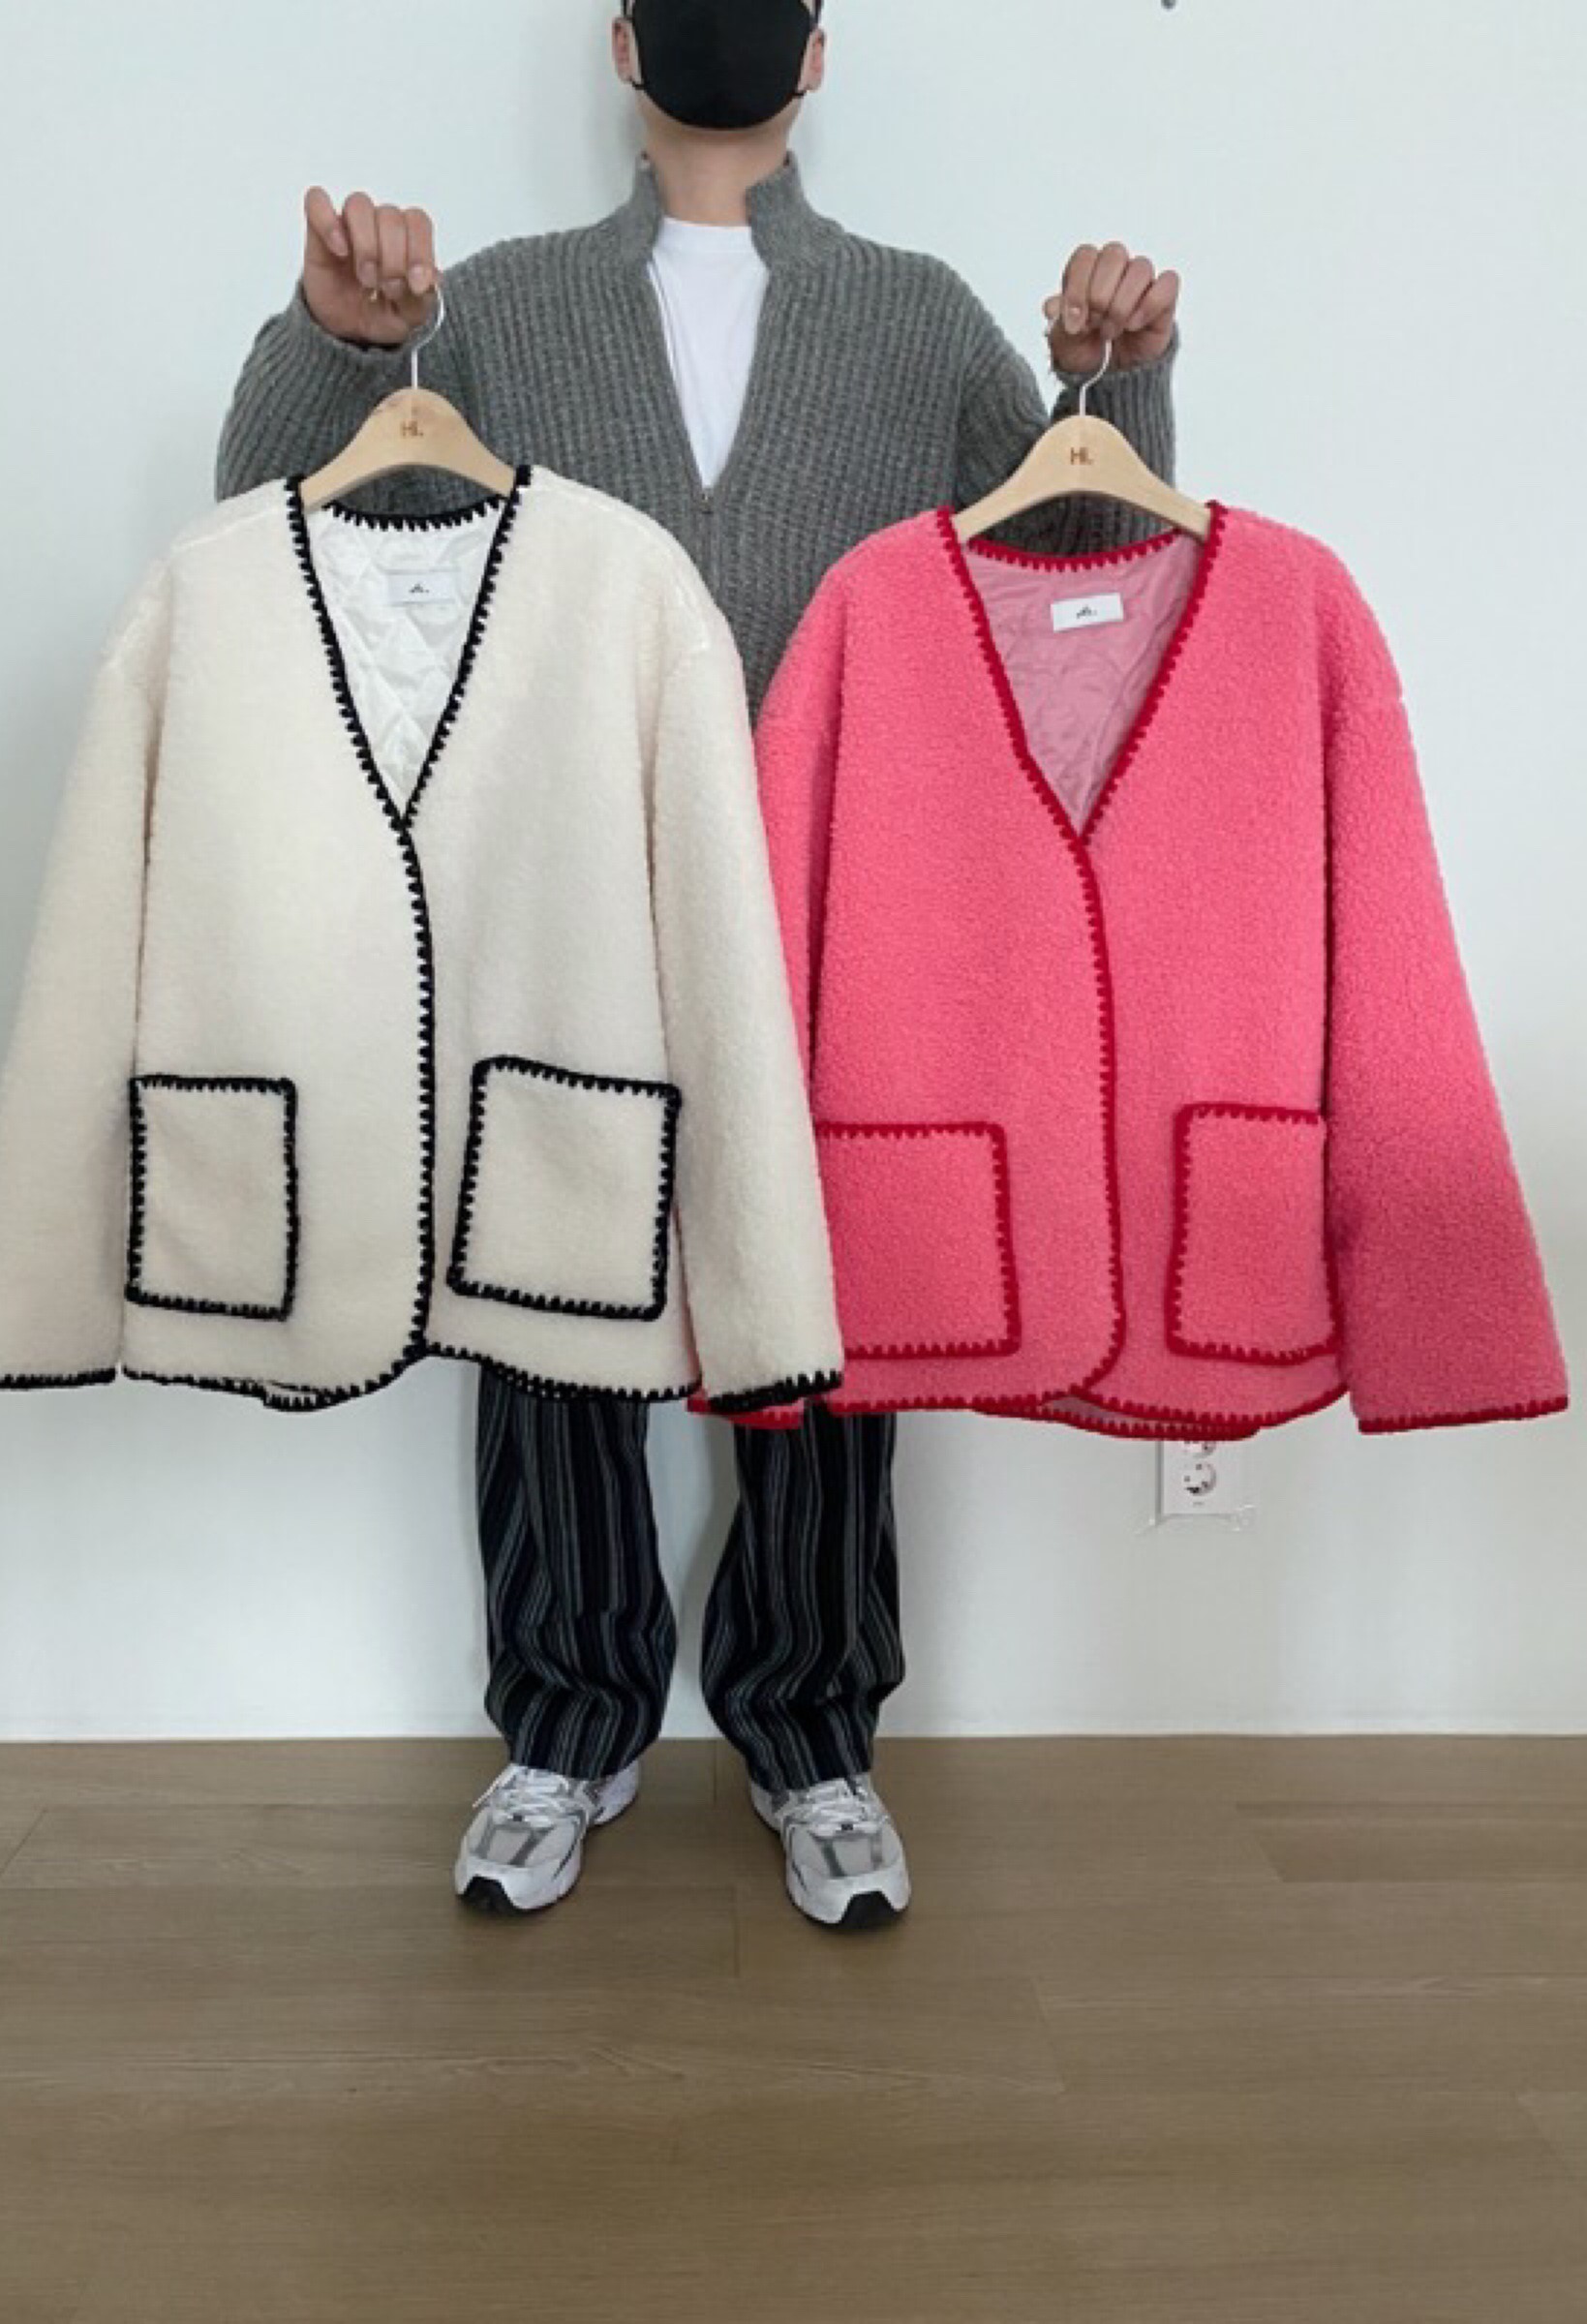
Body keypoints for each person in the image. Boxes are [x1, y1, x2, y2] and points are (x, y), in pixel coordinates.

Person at [215, 0, 1182, 1933]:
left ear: (813, 57)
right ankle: (563, 1727)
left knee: (820, 1329)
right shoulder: (496, 309)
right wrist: (339, 345)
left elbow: (1087, 564)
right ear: (624, 44)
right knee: (550, 1315)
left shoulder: (916, 318)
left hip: (842, 911)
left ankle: (813, 1736)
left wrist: (1127, 385)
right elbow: (277, 519)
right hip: (565, 902)